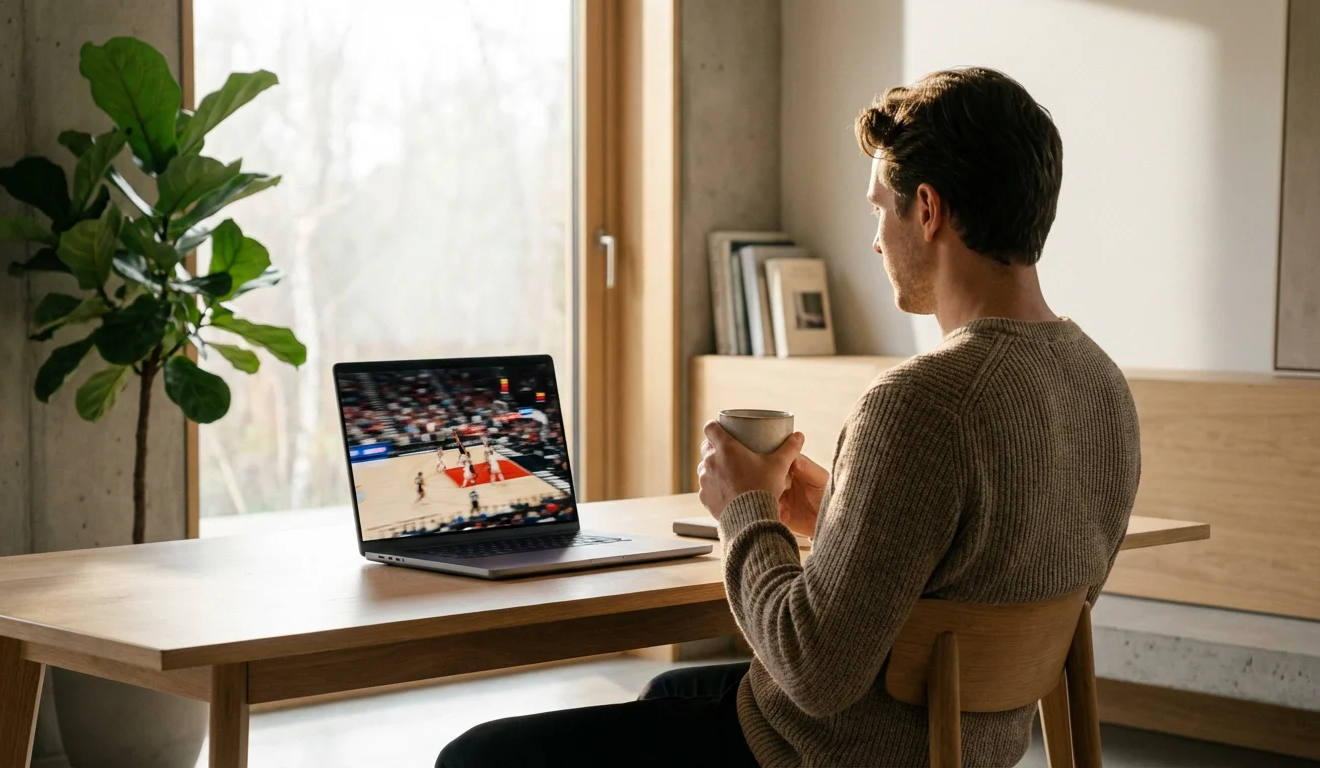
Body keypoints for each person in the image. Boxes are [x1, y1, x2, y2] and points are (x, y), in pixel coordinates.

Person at [436, 67, 1140, 768]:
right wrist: (838, 518)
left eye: (878, 209)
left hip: (824, 754)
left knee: (477, 757)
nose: (873, 240)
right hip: (964, 749)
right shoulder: (1103, 387)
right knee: (668, 692)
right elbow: (979, 582)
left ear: (927, 211)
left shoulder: (921, 401)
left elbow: (815, 672)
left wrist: (744, 511)